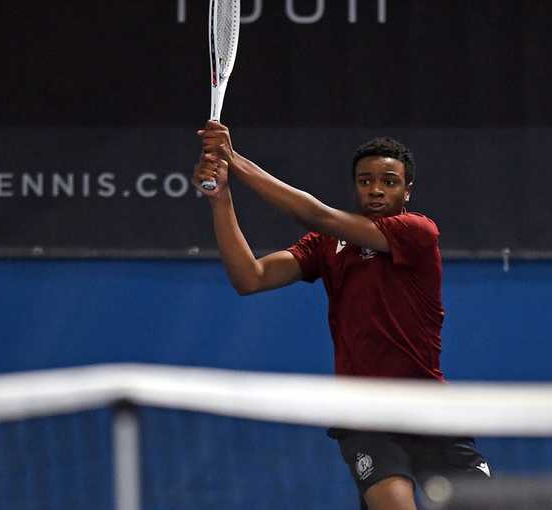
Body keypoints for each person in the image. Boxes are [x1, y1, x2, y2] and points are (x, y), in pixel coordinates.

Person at [192, 121, 491, 510]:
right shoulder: (326, 246)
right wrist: (221, 199)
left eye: (389, 181)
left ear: (407, 190)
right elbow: (251, 277)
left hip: (428, 408)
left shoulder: (418, 233)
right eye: (366, 181)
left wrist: (235, 160)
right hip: (362, 412)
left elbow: (321, 216)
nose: (377, 189)